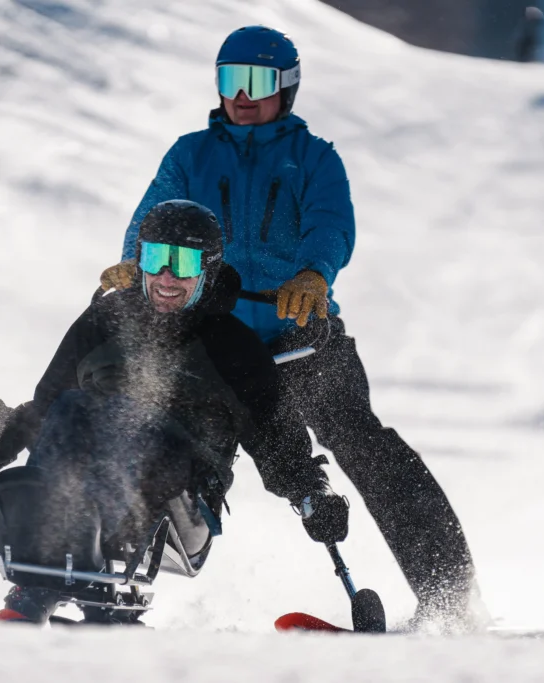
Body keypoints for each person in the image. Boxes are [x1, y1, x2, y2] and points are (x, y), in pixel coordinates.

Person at [99, 26, 482, 631]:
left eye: (256, 83)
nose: (241, 96)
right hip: (214, 340)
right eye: (230, 81)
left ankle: (450, 596)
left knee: (364, 443)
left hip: (297, 337)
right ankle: (114, 589)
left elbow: (331, 225)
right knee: (174, 450)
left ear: (288, 89)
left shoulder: (314, 158)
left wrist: (313, 273)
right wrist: (133, 263)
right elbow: (153, 216)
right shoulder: (190, 155)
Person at [0, 200, 349, 625]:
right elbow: (43, 411)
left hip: (187, 498)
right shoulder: (104, 320)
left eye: (183, 263)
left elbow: (275, 435)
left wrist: (314, 494)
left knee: (140, 425)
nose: (166, 276)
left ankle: (94, 588)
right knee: (71, 408)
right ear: (138, 260)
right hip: (89, 486)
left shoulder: (233, 347)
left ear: (209, 269)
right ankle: (37, 589)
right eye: (156, 258)